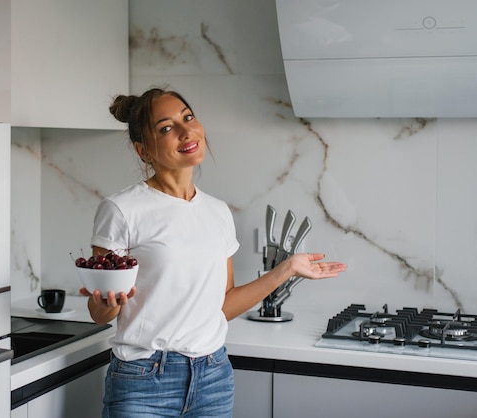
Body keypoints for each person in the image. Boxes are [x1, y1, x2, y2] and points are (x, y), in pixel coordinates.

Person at [79, 87, 347, 417]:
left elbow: (223, 304)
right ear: (143, 151)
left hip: (213, 377)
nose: (185, 131)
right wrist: (106, 301)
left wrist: (286, 269)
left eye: (188, 118)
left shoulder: (217, 212)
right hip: (143, 380)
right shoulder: (121, 210)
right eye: (166, 128)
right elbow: (100, 311)